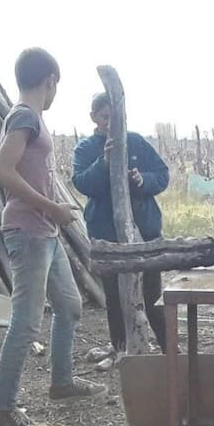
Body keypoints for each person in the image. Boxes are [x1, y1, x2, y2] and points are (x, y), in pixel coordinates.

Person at [0, 47, 106, 426]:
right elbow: (1, 170)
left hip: (45, 232)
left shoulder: (30, 117)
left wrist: (54, 209)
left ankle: (62, 382)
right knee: (26, 321)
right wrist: (50, 207)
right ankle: (2, 409)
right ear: (49, 80)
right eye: (57, 85)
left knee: (69, 305)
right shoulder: (24, 116)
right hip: (28, 229)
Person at [72, 93, 170, 359]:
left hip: (145, 232)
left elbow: (162, 175)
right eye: (106, 117)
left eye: (118, 118)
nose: (112, 124)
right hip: (107, 235)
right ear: (93, 117)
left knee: (152, 296)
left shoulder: (136, 142)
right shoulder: (85, 149)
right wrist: (103, 163)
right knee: (114, 298)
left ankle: (168, 349)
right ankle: (120, 349)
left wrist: (142, 180)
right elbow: (82, 182)